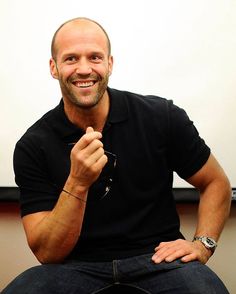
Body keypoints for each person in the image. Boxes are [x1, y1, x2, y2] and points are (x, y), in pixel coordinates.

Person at [2, 17, 231, 294]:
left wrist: (202, 245)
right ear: (54, 68)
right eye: (71, 58)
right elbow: (47, 254)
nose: (84, 69)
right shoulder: (33, 144)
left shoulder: (161, 117)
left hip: (160, 259)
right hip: (74, 266)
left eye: (95, 57)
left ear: (110, 64)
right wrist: (77, 181)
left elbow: (215, 182)